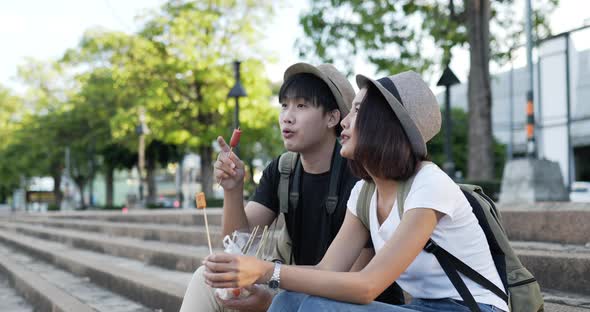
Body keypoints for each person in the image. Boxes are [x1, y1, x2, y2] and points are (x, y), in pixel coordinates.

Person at [202, 71, 509, 312]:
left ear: (385, 123)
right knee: (287, 302)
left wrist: (266, 271)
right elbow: (327, 270)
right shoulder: (364, 192)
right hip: (421, 307)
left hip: (472, 308)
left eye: (358, 110)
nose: (345, 121)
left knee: (318, 308)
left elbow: (367, 285)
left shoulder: (429, 183)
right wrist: (268, 287)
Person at [179, 63, 404, 312]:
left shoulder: (361, 178)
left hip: (346, 301)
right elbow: (239, 242)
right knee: (207, 278)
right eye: (284, 105)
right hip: (296, 288)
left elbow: (348, 283)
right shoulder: (283, 169)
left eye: (301, 105)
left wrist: (270, 298)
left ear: (333, 117)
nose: (287, 115)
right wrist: (232, 190)